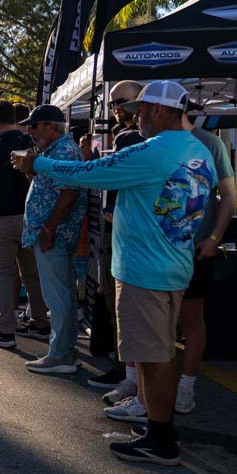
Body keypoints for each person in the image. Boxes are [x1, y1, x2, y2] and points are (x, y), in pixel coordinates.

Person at [14, 81, 216, 466]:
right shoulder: (195, 148)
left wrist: (36, 163)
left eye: (140, 109)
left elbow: (90, 172)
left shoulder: (156, 150)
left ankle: (160, 439)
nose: (134, 116)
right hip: (172, 266)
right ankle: (155, 426)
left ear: (159, 110)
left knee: (154, 357)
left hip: (146, 271)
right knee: (156, 352)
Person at [0, 102, 50, 348]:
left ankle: (6, 331)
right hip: (32, 216)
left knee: (4, 274)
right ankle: (40, 323)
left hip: (4, 216)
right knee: (32, 273)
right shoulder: (31, 143)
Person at [174, 109, 235, 414]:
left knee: (192, 316)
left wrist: (214, 238)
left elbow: (228, 194)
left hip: (195, 248)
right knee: (157, 319)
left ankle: (186, 386)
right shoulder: (152, 140)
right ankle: (143, 387)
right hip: (159, 250)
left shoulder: (210, 143)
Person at [18, 105, 87, 375]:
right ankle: (64, 351)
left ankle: (60, 355)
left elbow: (69, 193)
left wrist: (49, 227)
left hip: (54, 235)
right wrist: (30, 169)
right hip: (52, 234)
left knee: (57, 298)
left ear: (51, 126)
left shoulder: (65, 151)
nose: (29, 131)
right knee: (62, 296)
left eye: (34, 126)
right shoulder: (54, 151)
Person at [87, 80, 146, 397]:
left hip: (125, 237)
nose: (116, 109)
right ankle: (132, 377)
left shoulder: (131, 139)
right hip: (125, 235)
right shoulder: (142, 139)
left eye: (121, 102)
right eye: (112, 104)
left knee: (122, 307)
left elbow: (112, 178)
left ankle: (131, 377)